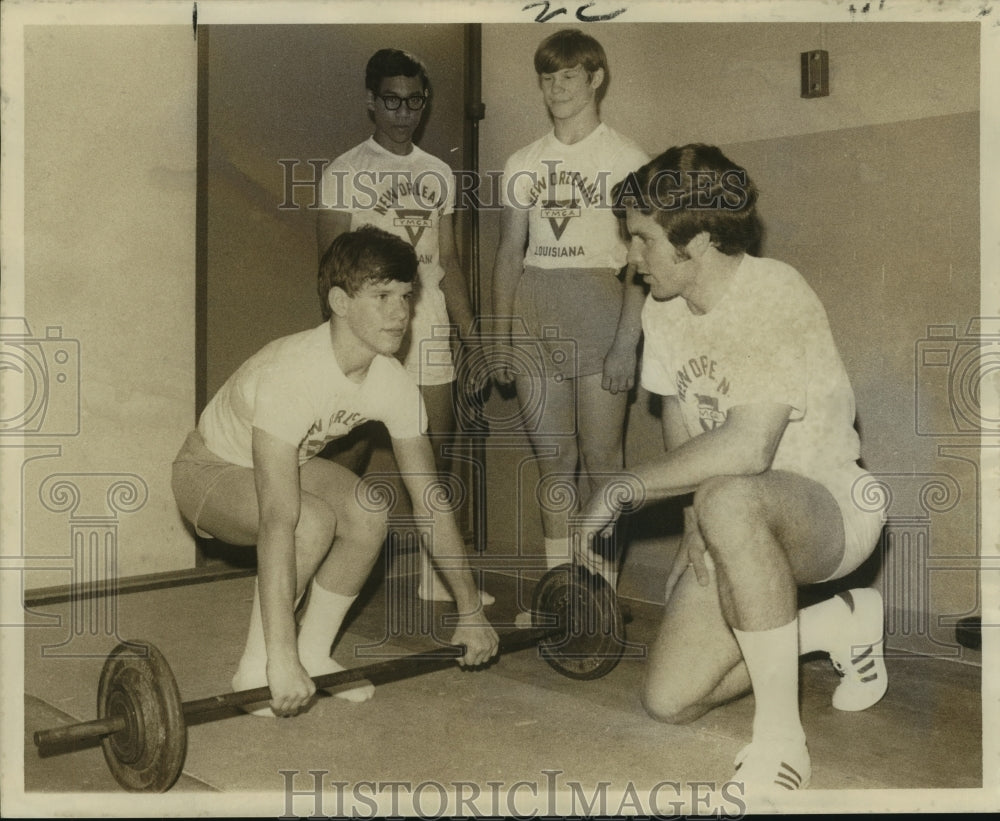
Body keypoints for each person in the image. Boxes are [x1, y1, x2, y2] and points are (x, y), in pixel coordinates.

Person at [580, 144, 888, 800]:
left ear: (701, 237)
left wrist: (625, 484)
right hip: (732, 507)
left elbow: (748, 447)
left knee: (730, 496)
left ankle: (780, 741)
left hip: (834, 504)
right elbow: (684, 425)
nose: (630, 259)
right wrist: (693, 527)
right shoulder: (663, 311)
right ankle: (838, 624)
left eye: (642, 240)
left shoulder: (775, 291)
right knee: (668, 697)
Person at [172, 226, 499, 717]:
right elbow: (280, 517)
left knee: (370, 510)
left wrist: (470, 609)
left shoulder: (392, 382)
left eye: (406, 296)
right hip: (208, 471)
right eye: (382, 296)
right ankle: (261, 664)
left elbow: (430, 500)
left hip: (283, 464)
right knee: (311, 520)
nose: (400, 313)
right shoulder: (293, 372)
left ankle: (313, 654)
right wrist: (277, 660)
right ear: (340, 302)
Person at [317, 48, 491, 605]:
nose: (403, 112)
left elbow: (451, 267)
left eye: (414, 101)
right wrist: (342, 344)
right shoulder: (346, 171)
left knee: (436, 448)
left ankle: (437, 578)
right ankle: (316, 562)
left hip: (429, 323)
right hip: (368, 327)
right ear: (372, 102)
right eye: (392, 101)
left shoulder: (438, 173)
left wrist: (474, 339)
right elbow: (330, 269)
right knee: (349, 449)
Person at [491, 29, 649, 580]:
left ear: (595, 78)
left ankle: (600, 586)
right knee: (553, 460)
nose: (556, 87)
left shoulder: (627, 157)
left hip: (601, 310)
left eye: (568, 75)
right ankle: (562, 587)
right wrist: (501, 338)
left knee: (605, 459)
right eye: (547, 76)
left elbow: (639, 260)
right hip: (536, 306)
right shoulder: (523, 161)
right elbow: (511, 252)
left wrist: (626, 342)